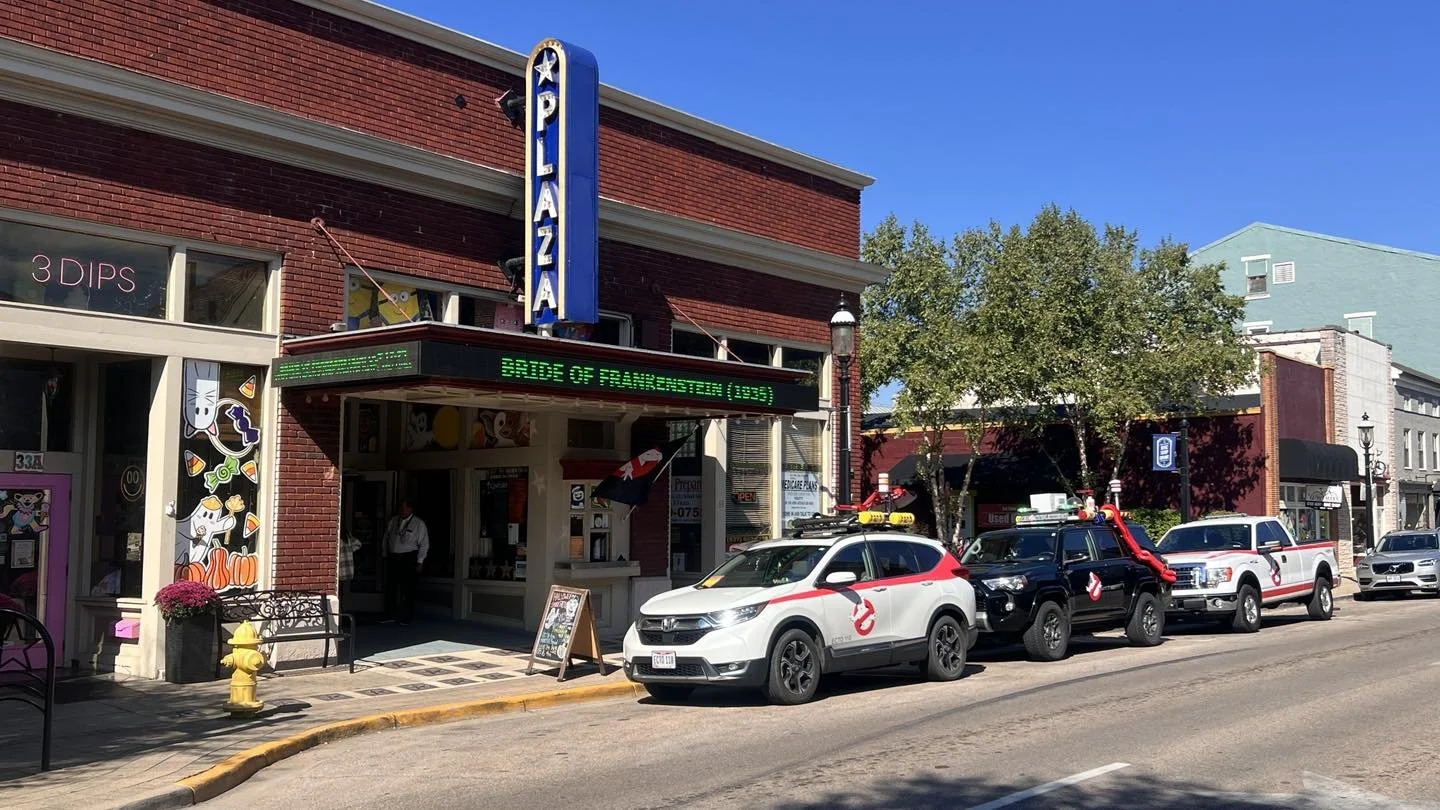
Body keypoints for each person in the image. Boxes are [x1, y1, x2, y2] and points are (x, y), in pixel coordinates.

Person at [382, 498, 428, 625]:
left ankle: (407, 617)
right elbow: (386, 537)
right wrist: (385, 554)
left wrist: (420, 561)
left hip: (408, 558)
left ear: (410, 509)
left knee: (408, 589)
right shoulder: (393, 521)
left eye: (404, 508)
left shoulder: (418, 523)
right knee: (391, 587)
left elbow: (424, 544)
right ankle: (390, 614)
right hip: (393, 557)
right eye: (400, 508)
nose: (401, 510)